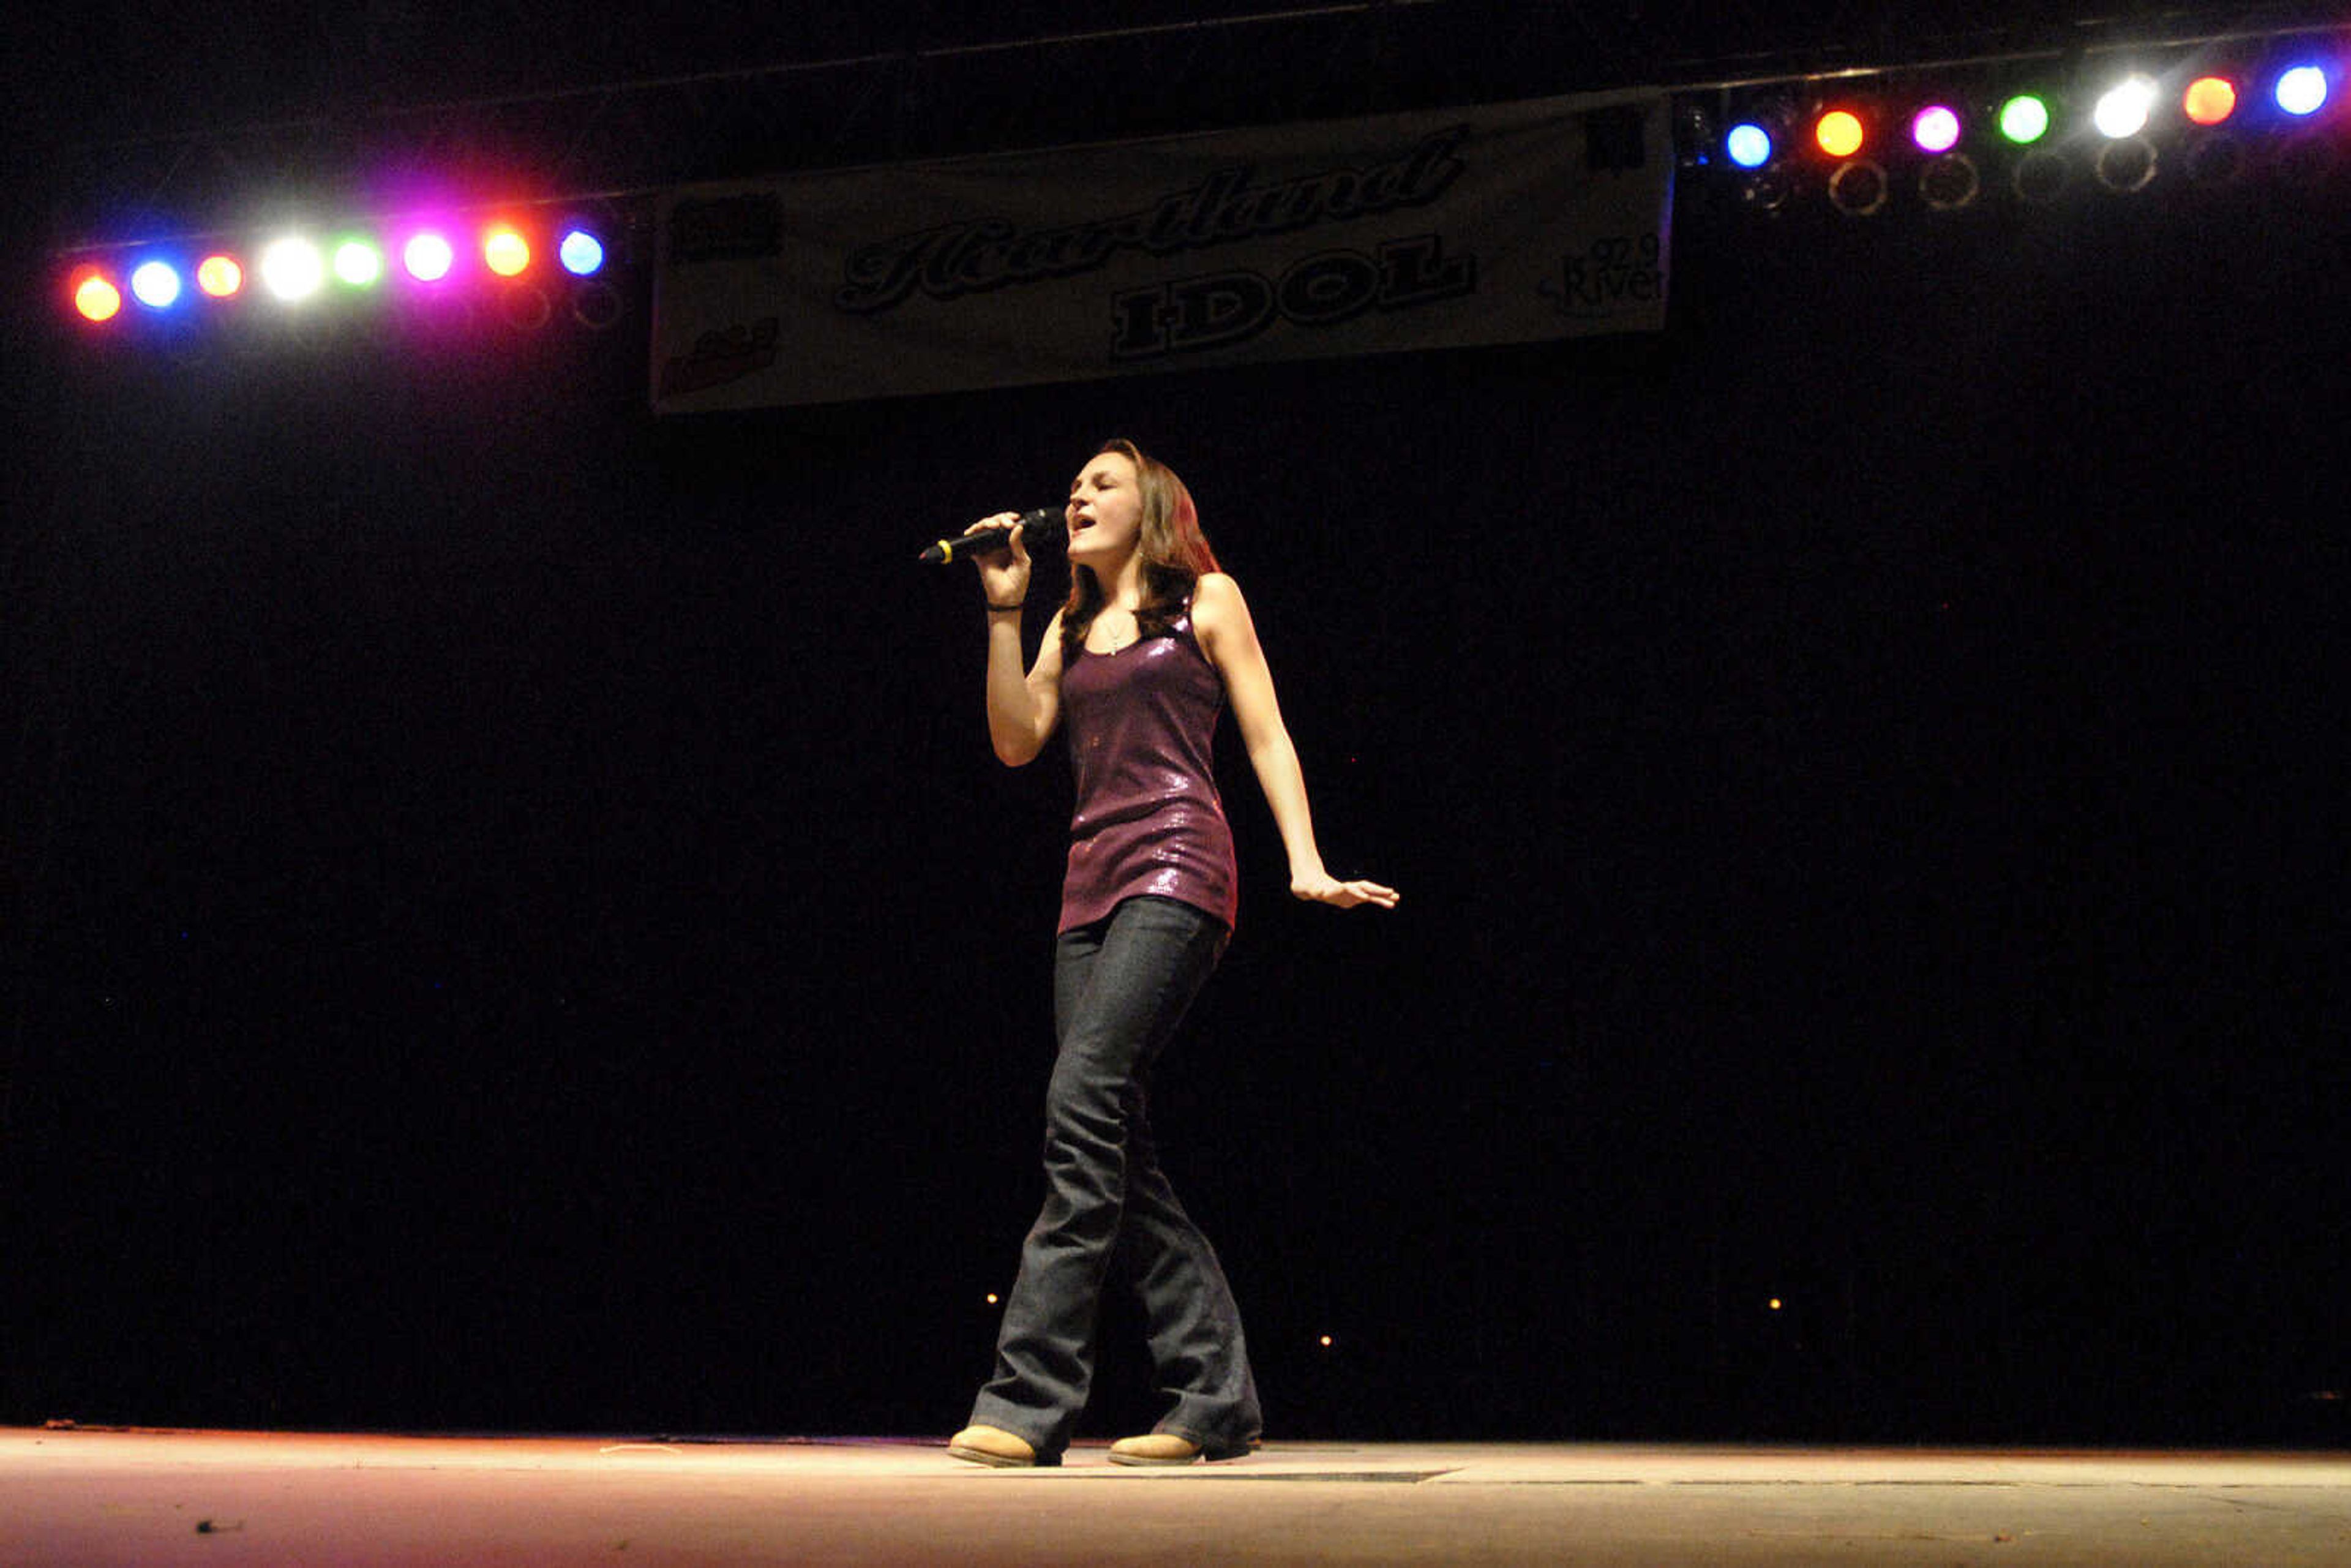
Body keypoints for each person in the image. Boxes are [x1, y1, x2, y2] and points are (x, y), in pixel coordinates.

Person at [946, 438, 1398, 1469]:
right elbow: (1017, 742)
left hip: (1180, 865)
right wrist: (1005, 612)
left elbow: (1267, 733)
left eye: (1101, 483)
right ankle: (1215, 1397)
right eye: (1073, 486)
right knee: (1112, 1136)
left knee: (1080, 1100)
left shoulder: (1209, 599)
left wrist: (1305, 859)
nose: (1077, 495)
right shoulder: (1066, 622)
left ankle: (1026, 1398)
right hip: (1087, 887)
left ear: (1152, 505)